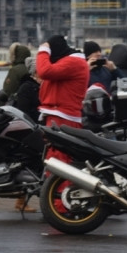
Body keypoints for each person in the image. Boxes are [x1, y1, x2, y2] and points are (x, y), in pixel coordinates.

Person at [37, 35, 89, 163]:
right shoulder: (72, 62)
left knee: (59, 160)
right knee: (56, 158)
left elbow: (44, 71)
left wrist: (43, 50)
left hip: (63, 117)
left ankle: (61, 184)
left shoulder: (73, 62)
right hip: (61, 115)